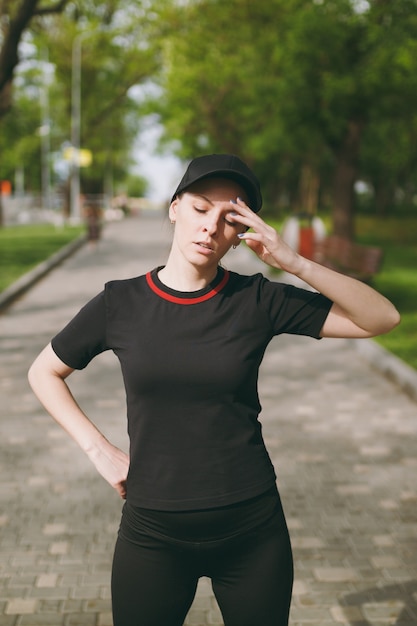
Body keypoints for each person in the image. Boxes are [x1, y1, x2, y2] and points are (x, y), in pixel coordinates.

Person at [28, 154, 400, 626]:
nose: (210, 228)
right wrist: (98, 449)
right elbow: (43, 372)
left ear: (242, 233)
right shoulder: (119, 302)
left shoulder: (258, 299)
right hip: (152, 534)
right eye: (201, 209)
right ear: (174, 208)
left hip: (253, 533)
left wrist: (292, 261)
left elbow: (381, 319)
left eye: (229, 219)